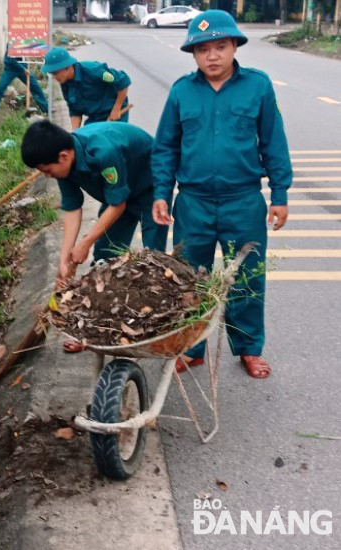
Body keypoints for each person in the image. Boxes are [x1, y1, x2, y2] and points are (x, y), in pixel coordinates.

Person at [151, 10, 292, 378]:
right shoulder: (182, 91)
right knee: (189, 280)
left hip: (243, 200)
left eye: (220, 46)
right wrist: (162, 193)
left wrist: (280, 194)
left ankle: (248, 348)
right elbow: (166, 146)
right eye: (202, 50)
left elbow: (273, 142)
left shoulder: (257, 87)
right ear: (193, 55)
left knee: (247, 276)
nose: (212, 56)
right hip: (193, 203)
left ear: (234, 47)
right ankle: (192, 347)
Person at [21, 119, 168, 352]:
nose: (47, 176)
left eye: (47, 171)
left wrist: (86, 241)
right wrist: (64, 260)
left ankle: (155, 329)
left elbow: (118, 205)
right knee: (104, 261)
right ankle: (97, 331)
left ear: (63, 157)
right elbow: (72, 208)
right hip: (119, 195)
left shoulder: (103, 152)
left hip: (150, 188)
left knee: (152, 263)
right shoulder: (63, 166)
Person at [41, 47, 131, 130]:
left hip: (115, 114)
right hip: (94, 118)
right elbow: (74, 111)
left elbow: (123, 81)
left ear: (67, 67)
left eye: (56, 73)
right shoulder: (64, 83)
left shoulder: (93, 71)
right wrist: (74, 132)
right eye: (52, 74)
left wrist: (116, 108)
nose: (55, 77)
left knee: (111, 144)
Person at [0, 46, 48, 115]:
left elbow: (35, 49)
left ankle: (46, 109)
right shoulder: (13, 41)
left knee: (35, 87)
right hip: (10, 69)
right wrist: (24, 69)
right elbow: (11, 60)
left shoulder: (27, 41)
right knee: (0, 88)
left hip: (24, 67)